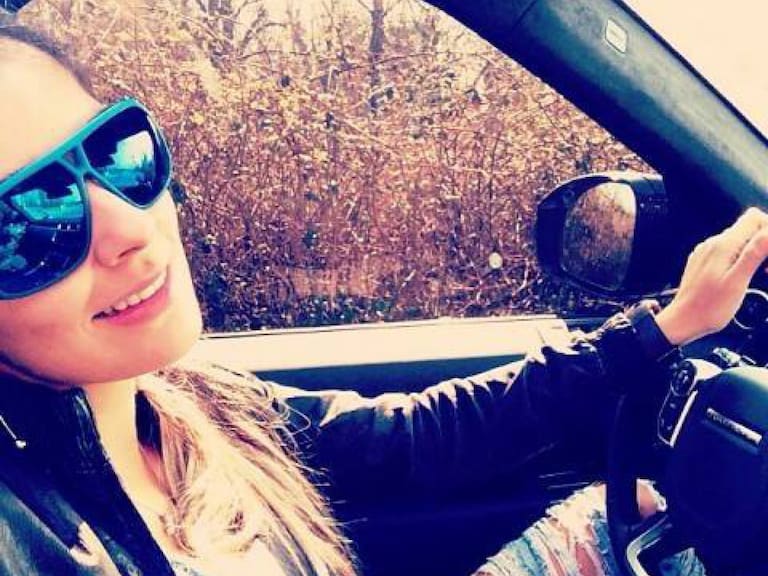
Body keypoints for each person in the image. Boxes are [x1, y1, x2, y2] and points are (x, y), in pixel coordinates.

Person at [0, 23, 765, 576]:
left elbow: (416, 439)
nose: (130, 227)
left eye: (115, 154)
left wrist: (667, 326)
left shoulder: (193, 406)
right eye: (27, 223)